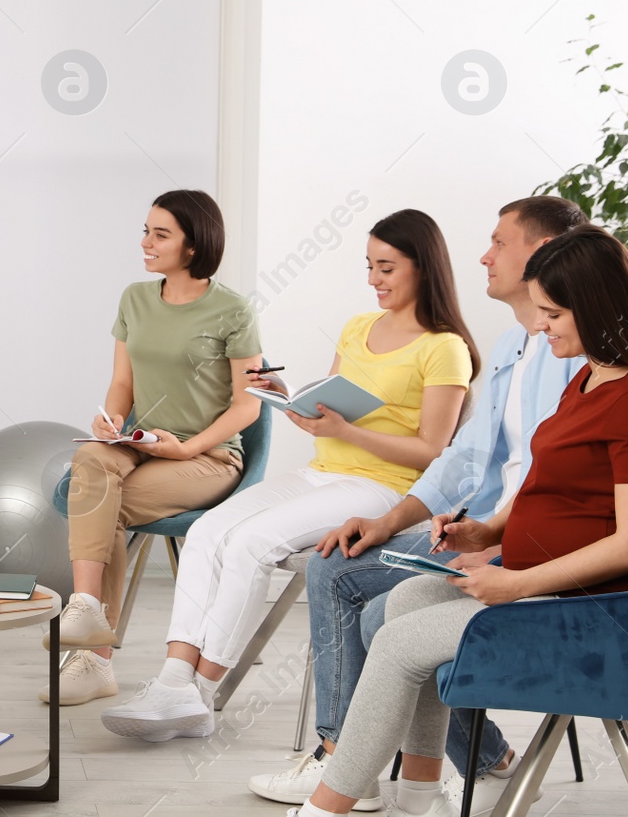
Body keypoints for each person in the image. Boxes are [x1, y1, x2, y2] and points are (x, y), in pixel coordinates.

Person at [292, 224, 628, 817]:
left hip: (601, 614)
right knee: (408, 599)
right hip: (553, 590)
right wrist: (491, 532)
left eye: (552, 313)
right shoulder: (590, 377)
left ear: (597, 307)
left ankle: (324, 808)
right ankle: (420, 793)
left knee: (397, 642)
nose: (540, 325)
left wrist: (515, 581)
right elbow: (564, 494)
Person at [252, 196, 586, 813]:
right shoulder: (516, 346)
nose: (483, 256)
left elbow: (563, 482)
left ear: (541, 253)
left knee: (357, 588)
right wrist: (389, 521)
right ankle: (454, 767)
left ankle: (344, 761)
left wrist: (498, 545)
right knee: (347, 558)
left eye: (498, 242)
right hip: (479, 530)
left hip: (523, 547)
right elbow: (462, 458)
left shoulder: (576, 356)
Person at [101, 209, 477, 741]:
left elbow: (433, 452)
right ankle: (173, 679)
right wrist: (290, 399)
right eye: (369, 266)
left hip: (384, 489)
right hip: (323, 472)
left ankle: (199, 695)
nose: (373, 279)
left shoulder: (445, 348)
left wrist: (345, 432)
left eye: (387, 268)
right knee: (209, 530)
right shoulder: (358, 327)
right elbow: (334, 404)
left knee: (250, 542)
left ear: (424, 268)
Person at [48, 190, 266, 706]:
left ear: (194, 246)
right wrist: (112, 420)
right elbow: (122, 381)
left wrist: (188, 450)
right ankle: (85, 607)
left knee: (106, 502)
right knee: (90, 458)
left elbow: (248, 407)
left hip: (208, 459)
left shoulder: (233, 311)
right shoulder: (135, 299)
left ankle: (94, 658)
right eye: (145, 231)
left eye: (159, 234)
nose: (145, 243)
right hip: (139, 443)